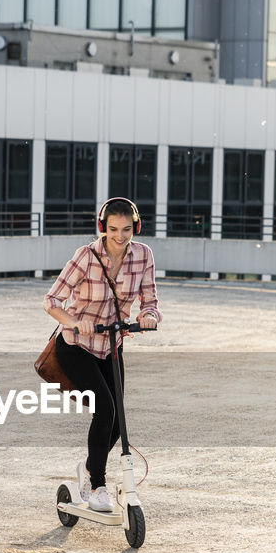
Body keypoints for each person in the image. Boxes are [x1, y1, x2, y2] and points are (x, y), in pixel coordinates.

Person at [43, 197, 163, 513]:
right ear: (102, 227)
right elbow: (52, 300)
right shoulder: (86, 256)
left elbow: (150, 298)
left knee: (118, 424)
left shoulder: (143, 256)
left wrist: (149, 315)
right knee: (106, 408)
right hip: (76, 345)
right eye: (113, 230)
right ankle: (97, 485)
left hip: (111, 344)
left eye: (126, 230)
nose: (120, 237)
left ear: (136, 227)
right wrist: (74, 322)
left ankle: (87, 467)